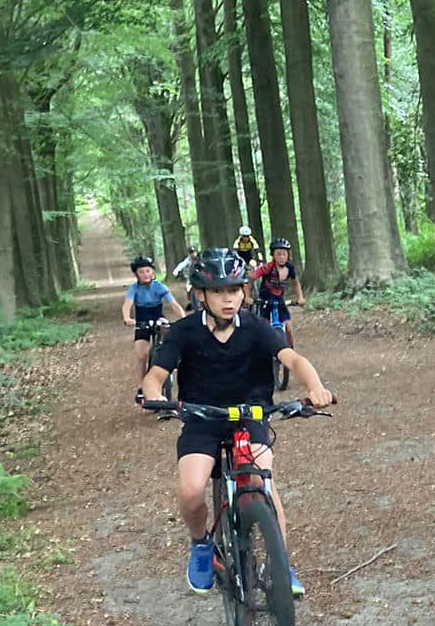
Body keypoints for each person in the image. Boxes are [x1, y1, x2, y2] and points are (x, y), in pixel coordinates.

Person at [140, 248, 333, 600]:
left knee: (263, 483)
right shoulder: (184, 331)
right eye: (218, 291)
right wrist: (155, 397)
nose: (228, 299)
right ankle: (201, 544)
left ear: (244, 291)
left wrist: (315, 387)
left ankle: (280, 564)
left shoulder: (256, 327)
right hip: (201, 418)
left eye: (234, 290)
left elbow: (292, 358)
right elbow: (156, 374)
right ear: (201, 295)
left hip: (250, 415)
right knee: (191, 490)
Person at [122, 255, 183, 394]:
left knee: (169, 343)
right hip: (142, 322)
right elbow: (127, 305)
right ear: (136, 274)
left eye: (148, 271)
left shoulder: (159, 286)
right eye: (141, 272)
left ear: (153, 272)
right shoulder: (134, 288)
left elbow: (173, 304)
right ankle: (142, 385)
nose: (145, 274)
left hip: (158, 319)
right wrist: (127, 318)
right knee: (141, 355)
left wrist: (183, 318)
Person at [250, 239, 304, 344]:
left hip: (279, 300)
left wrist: (300, 297)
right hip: (265, 301)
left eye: (284, 254)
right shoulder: (267, 267)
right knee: (262, 329)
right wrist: (247, 297)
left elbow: (295, 283)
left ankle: (290, 350)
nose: (282, 257)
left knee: (288, 328)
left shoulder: (290, 268)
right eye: (278, 254)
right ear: (273, 255)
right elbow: (250, 279)